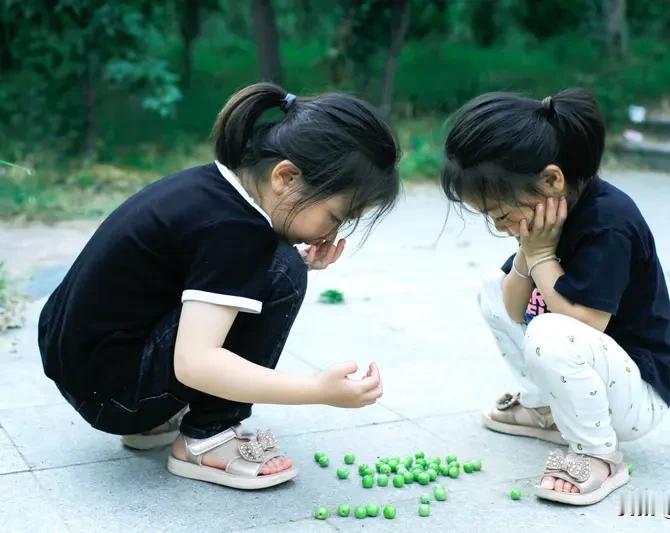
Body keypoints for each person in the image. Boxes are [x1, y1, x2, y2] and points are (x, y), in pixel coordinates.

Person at [38, 82, 400, 490]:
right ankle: (207, 438)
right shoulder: (235, 231)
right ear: (285, 176)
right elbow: (195, 363)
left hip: (86, 367)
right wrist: (317, 390)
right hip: (115, 392)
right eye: (336, 215)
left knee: (278, 266)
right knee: (283, 272)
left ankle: (153, 419)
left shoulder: (211, 190)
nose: (331, 232)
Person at [440, 88, 670, 505]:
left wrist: (543, 257)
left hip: (636, 393)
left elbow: (585, 323)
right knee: (492, 290)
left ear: (552, 180)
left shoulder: (609, 222)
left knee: (552, 332)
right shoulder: (547, 219)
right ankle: (546, 409)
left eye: (500, 214)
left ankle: (600, 455)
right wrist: (528, 254)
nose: (500, 226)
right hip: (588, 369)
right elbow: (512, 309)